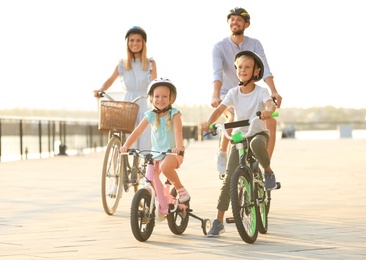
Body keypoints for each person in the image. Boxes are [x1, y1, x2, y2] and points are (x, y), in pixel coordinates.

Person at [202, 50, 277, 237]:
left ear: (256, 71)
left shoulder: (261, 91)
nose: (243, 70)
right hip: (239, 137)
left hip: (257, 132)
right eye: (240, 67)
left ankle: (267, 171)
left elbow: (270, 104)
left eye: (248, 67)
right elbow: (219, 109)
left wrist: (268, 110)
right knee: (229, 179)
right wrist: (208, 122)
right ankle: (219, 221)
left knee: (257, 145)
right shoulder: (233, 93)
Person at [211, 7, 282, 175]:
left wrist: (273, 91)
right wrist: (215, 94)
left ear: (246, 24)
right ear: (229, 22)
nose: (235, 22)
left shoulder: (255, 44)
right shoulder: (219, 47)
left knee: (271, 122)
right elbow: (217, 73)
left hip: (253, 94)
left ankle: (265, 167)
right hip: (229, 93)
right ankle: (222, 151)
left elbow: (265, 68)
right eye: (232, 19)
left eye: (239, 20)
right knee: (232, 117)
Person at [120, 78, 190, 203]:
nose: (160, 100)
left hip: (172, 153)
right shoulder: (151, 114)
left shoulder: (174, 114)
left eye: (164, 96)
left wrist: (179, 147)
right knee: (150, 178)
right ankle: (160, 200)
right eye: (157, 96)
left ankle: (180, 189)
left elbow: (178, 132)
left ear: (171, 98)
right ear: (151, 98)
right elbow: (137, 132)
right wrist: (126, 146)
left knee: (165, 167)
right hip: (156, 154)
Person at [93, 26, 157, 150]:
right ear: (127, 43)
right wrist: (100, 89)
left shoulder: (150, 63)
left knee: (145, 137)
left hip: (145, 100)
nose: (134, 43)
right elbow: (110, 80)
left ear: (143, 43)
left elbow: (154, 83)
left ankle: (142, 166)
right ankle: (121, 164)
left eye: (138, 40)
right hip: (128, 103)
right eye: (131, 40)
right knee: (126, 137)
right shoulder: (122, 64)